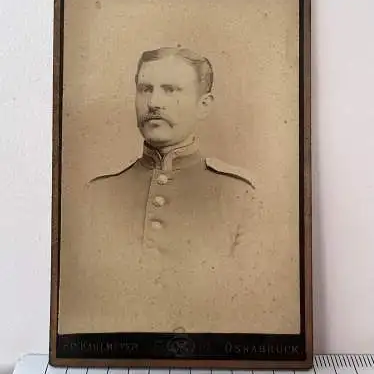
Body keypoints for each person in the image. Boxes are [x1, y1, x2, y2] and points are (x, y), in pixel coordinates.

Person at [59, 47, 261, 334]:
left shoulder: (240, 196)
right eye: (145, 89)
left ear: (203, 105)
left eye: (171, 90)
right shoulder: (98, 194)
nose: (154, 102)